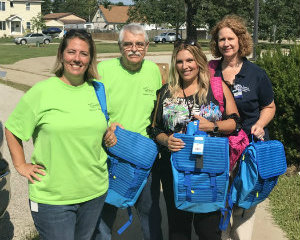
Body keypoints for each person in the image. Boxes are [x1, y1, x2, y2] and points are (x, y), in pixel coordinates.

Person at [5, 29, 108, 240]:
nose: (77, 59)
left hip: (94, 191)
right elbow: (13, 129)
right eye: (72, 52)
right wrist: (21, 165)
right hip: (53, 198)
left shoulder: (97, 90)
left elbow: (99, 128)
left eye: (83, 54)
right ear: (61, 54)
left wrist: (110, 132)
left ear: (90, 59)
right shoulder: (42, 92)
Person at [149, 39, 240, 240]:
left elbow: (234, 122)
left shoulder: (216, 87)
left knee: (208, 230)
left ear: (198, 62)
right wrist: (167, 140)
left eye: (189, 60)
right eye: (180, 61)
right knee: (178, 229)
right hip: (175, 170)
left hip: (209, 170)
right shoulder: (166, 92)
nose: (185, 66)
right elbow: (154, 129)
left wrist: (212, 126)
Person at [93, 23, 163, 240]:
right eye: (128, 44)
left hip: (144, 156)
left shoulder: (154, 71)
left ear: (147, 46)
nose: (134, 48)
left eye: (139, 44)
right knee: (104, 214)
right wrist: (106, 125)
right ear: (119, 46)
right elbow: (91, 108)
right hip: (111, 153)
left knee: (150, 213)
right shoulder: (102, 70)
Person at [209, 15, 276, 240]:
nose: (226, 43)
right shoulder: (210, 72)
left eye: (231, 38)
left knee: (245, 201)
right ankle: (222, 234)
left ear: (240, 40)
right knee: (218, 198)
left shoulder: (256, 74)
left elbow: (269, 106)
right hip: (217, 146)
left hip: (249, 147)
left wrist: (259, 125)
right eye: (221, 39)